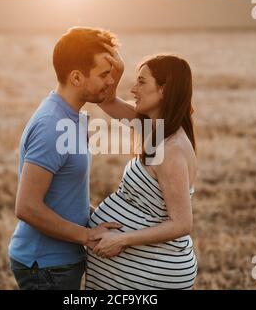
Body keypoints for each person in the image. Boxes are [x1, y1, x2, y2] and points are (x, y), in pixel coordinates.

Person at [8, 27, 122, 290]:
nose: (110, 81)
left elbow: (64, 192)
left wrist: (93, 218)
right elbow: (26, 207)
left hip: (59, 263)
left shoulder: (71, 116)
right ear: (76, 78)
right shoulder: (52, 124)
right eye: (104, 74)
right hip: (46, 267)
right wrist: (86, 235)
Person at [85, 49, 199, 290]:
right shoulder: (151, 127)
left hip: (154, 273)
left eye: (141, 82)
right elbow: (108, 102)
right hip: (139, 273)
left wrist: (122, 239)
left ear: (164, 90)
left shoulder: (171, 149)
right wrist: (117, 72)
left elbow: (182, 223)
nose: (133, 90)